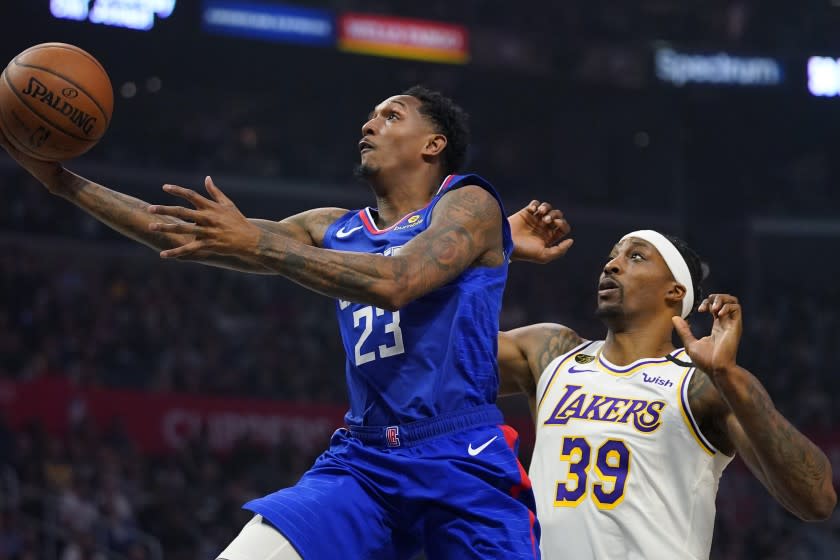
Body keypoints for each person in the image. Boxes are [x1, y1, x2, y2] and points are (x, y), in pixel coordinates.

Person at [0, 86, 572, 559]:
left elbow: (398, 282)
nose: (369, 123)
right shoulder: (332, 226)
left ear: (433, 144)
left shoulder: (469, 203)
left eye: (391, 114)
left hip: (458, 455)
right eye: (369, 114)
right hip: (365, 460)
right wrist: (61, 181)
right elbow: (173, 232)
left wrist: (260, 246)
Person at [497, 226, 837, 559]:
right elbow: (446, 357)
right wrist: (497, 247)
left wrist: (728, 375)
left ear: (674, 291)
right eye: (611, 256)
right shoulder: (554, 353)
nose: (611, 265)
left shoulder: (702, 383)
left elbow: (817, 499)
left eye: (635, 257)